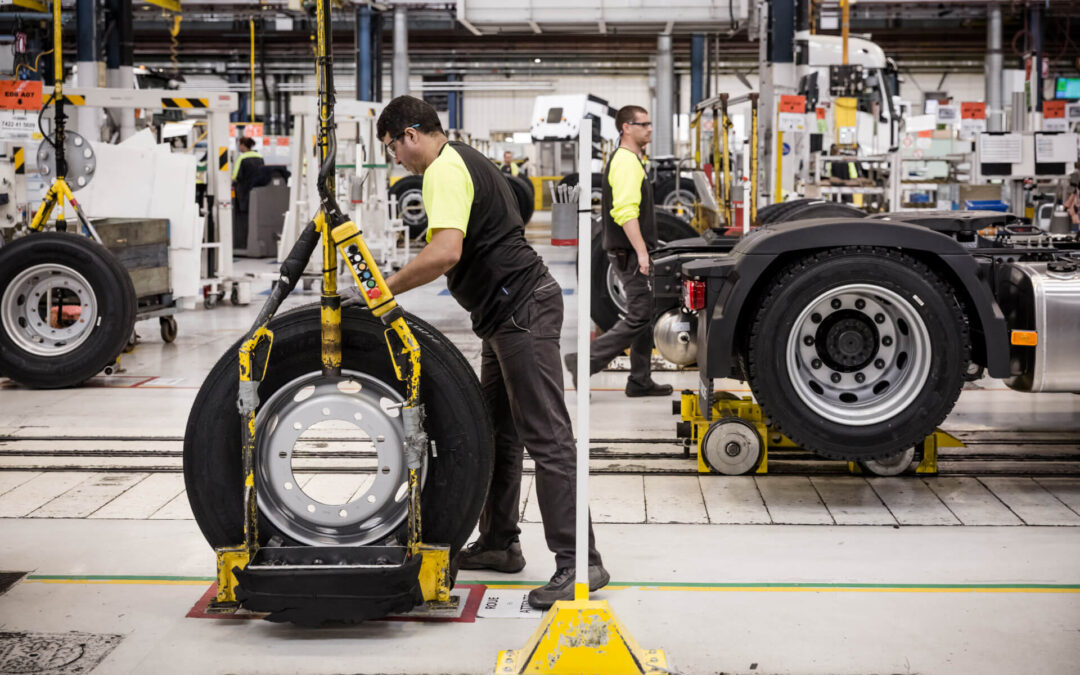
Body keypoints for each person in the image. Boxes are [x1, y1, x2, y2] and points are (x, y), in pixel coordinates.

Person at [368, 95, 608, 609]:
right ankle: (500, 543)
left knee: (547, 436)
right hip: (504, 315)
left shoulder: (442, 171)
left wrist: (381, 291)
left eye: (392, 149)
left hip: (522, 312)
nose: (397, 161)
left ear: (409, 135)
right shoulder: (463, 158)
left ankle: (580, 562)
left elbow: (445, 251)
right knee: (497, 433)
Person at [564, 105, 673, 398]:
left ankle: (639, 379)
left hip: (628, 251)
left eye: (650, 123)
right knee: (639, 315)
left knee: (644, 313)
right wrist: (641, 252)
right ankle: (583, 362)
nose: (649, 128)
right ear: (626, 127)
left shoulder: (632, 160)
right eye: (643, 124)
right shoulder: (625, 162)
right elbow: (625, 212)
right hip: (628, 253)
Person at [231, 136, 264, 250]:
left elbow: (235, 176)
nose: (239, 147)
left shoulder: (242, 158)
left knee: (242, 218)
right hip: (258, 191)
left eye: (240, 145)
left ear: (244, 146)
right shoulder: (260, 157)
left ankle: (242, 244)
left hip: (243, 192)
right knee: (255, 216)